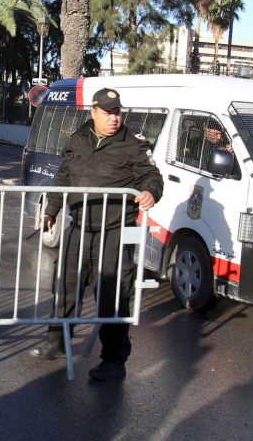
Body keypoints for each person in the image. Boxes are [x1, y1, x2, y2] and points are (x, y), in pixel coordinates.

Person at [29, 87, 163, 382]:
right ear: (94, 112)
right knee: (65, 285)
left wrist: (149, 191)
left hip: (114, 231)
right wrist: (50, 210)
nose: (114, 118)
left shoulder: (133, 145)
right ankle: (57, 340)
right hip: (80, 226)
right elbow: (63, 177)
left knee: (113, 295)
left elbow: (152, 176)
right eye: (108, 113)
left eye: (117, 112)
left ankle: (114, 360)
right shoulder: (78, 139)